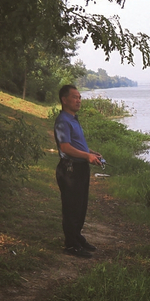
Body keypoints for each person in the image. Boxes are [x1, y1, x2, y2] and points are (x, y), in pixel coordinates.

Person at [54, 85, 102, 258]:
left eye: (80, 97)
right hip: (70, 170)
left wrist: (90, 153)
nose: (79, 100)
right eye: (75, 97)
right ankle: (70, 245)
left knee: (81, 207)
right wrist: (86, 156)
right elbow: (65, 147)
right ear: (64, 100)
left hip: (80, 168)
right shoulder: (63, 121)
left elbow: (75, 144)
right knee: (72, 208)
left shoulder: (73, 119)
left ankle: (77, 237)